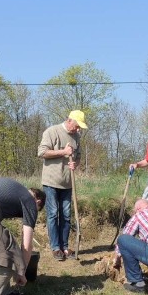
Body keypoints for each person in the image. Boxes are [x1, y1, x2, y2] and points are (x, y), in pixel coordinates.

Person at [37, 109, 87, 260]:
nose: (78, 129)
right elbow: (42, 153)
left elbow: (77, 157)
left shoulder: (76, 137)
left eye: (80, 128)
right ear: (70, 120)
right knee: (53, 214)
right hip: (51, 181)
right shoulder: (52, 131)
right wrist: (63, 152)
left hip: (67, 182)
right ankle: (55, 248)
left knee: (66, 215)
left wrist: (75, 164)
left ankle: (65, 247)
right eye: (77, 126)